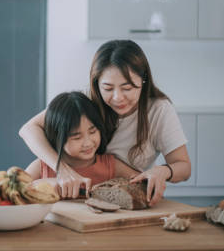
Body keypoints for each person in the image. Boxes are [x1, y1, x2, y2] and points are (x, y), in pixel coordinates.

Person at [19, 40, 191, 205]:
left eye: (127, 88)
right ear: (96, 83)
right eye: (108, 88)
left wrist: (164, 171)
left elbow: (184, 167)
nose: (117, 98)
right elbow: (28, 129)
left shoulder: (159, 110)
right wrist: (61, 169)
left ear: (143, 80)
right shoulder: (86, 99)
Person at [26, 91, 139, 191]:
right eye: (77, 137)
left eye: (93, 131)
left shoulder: (110, 165)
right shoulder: (42, 167)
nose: (88, 143)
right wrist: (43, 184)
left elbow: (142, 182)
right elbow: (15, 192)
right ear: (57, 138)